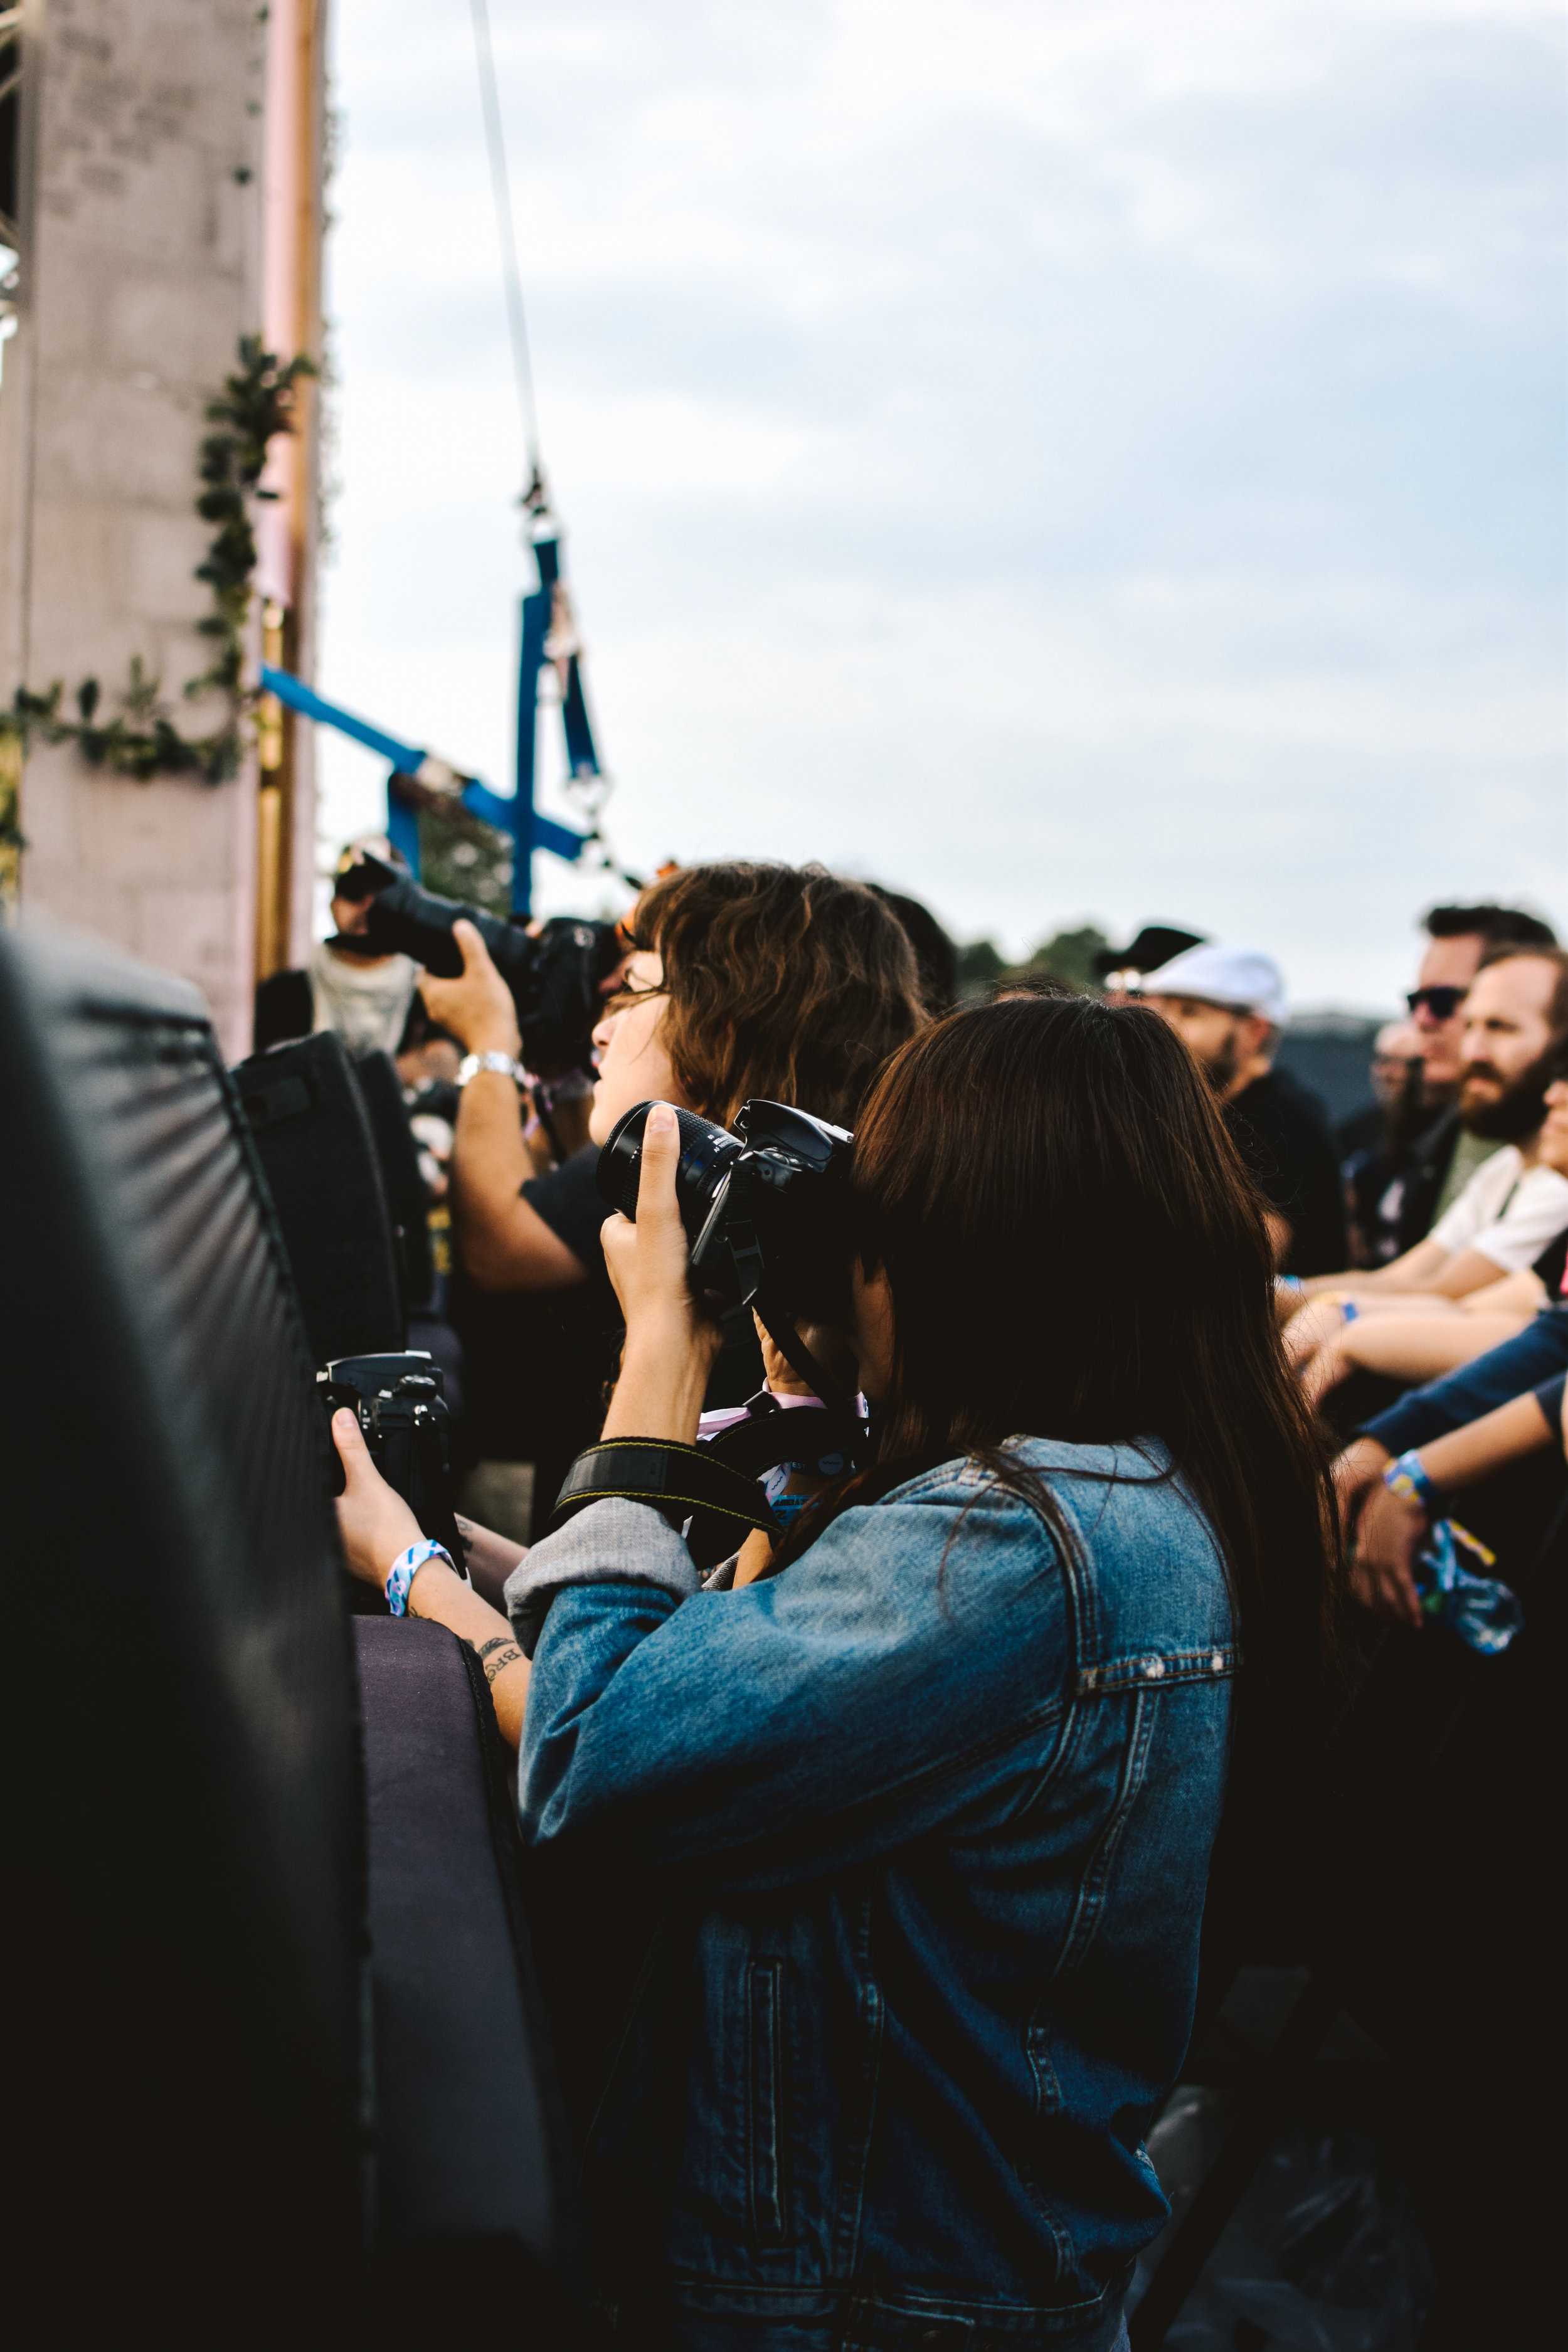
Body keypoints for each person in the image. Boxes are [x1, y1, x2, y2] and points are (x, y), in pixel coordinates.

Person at [329, 992, 1337, 2350]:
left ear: (965, 1247)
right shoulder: (1124, 1485)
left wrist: (662, 1355)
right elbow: (705, 1661)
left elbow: (591, 1755)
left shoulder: (1017, 1544)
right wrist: (457, 1564)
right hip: (936, 2275)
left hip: (875, 2303)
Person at [1279, 948, 1568, 1316]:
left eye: (1500, 1028)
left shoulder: (1557, 1183)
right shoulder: (1507, 1166)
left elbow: (1444, 1298)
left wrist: (1293, 1304)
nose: (1473, 1051)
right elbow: (1399, 1281)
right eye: (1470, 1027)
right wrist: (1281, 1291)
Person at [1138, 941, 1347, 1273]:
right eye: (1163, 1010)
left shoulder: (1281, 1119)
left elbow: (1248, 1259)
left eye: (1189, 1012)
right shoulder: (1218, 1112)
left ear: (1253, 1031)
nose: (1165, 1026)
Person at [1380, 902, 1558, 1253]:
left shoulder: (1548, 1163)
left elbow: (1451, 1296)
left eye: (1444, 1000)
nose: (1422, 1020)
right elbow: (1417, 1280)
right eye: (1416, 1001)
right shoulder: (1489, 1148)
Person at [252, 835, 423, 1057]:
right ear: (334, 903)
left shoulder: (428, 994)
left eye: (384, 898)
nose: (368, 908)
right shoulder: (283, 994)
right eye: (355, 891)